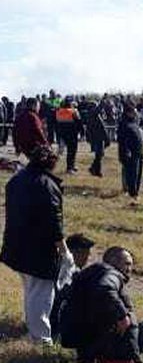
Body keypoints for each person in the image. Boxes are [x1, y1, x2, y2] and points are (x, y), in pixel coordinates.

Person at [59, 247, 143, 363]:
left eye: (131, 265)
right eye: (126, 263)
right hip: (109, 348)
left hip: (89, 348)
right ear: (112, 261)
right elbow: (106, 288)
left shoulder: (91, 275)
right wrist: (123, 316)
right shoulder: (111, 273)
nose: (130, 269)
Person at [0, 145, 66, 344]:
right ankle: (40, 338)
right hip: (39, 249)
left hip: (17, 244)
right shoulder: (46, 185)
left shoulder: (16, 180)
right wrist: (63, 248)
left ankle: (32, 327)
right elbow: (54, 222)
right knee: (42, 294)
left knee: (30, 289)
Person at [50, 233, 95, 341]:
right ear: (75, 252)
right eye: (86, 254)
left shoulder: (75, 270)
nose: (88, 259)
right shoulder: (61, 268)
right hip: (54, 320)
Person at [117, 105, 143, 204]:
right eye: (134, 112)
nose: (136, 113)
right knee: (132, 174)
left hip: (139, 152)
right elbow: (122, 140)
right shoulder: (123, 124)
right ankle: (132, 194)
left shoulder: (134, 122)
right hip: (130, 154)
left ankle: (136, 191)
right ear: (128, 112)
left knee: (138, 174)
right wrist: (126, 152)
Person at [55, 98, 82, 174]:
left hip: (62, 134)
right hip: (72, 134)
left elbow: (57, 123)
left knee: (65, 151)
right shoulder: (74, 111)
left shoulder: (59, 112)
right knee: (72, 151)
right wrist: (81, 133)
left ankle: (71, 166)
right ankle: (70, 167)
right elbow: (79, 122)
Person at [86, 103, 110, 177]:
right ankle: (96, 170)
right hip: (97, 137)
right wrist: (103, 102)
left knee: (99, 155)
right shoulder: (92, 114)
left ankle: (95, 169)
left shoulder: (94, 115)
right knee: (99, 155)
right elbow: (98, 109)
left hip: (99, 137)